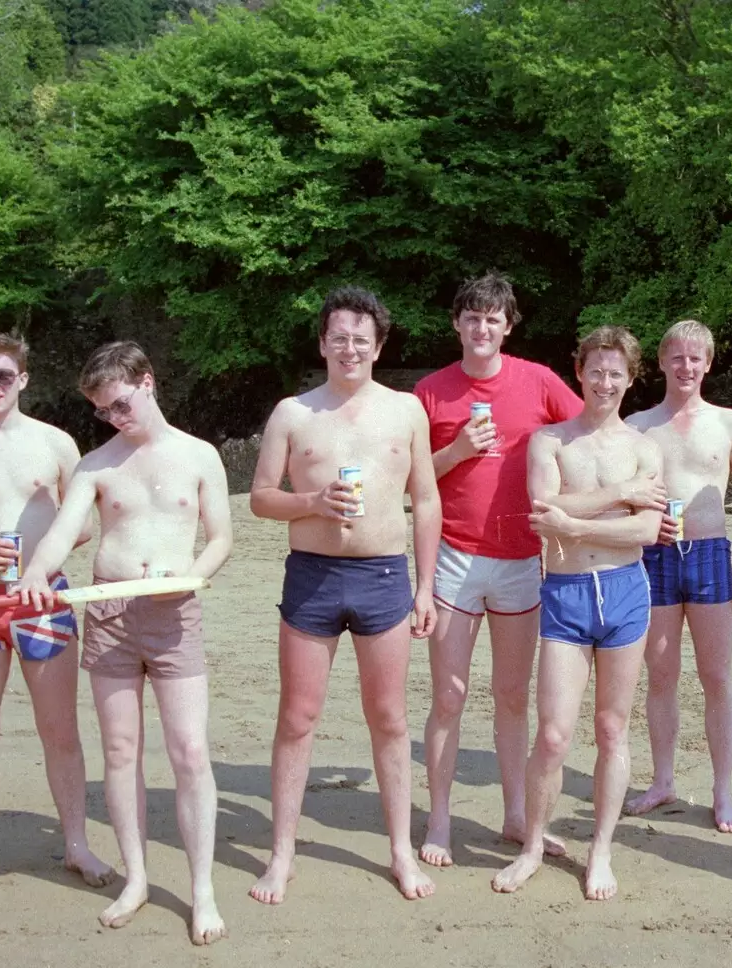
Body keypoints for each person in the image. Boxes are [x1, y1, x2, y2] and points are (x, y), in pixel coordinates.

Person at [13, 341, 233, 945]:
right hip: (107, 609)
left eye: (121, 403)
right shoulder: (96, 465)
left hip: (174, 610)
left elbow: (220, 538)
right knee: (119, 752)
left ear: (148, 381)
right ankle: (136, 877)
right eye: (104, 411)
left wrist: (190, 576)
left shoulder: (199, 455)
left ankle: (202, 891)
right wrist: (36, 573)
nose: (115, 416)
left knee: (189, 751)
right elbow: (62, 534)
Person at [248, 286, 441, 904]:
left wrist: (426, 587)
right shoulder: (293, 413)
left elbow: (427, 500)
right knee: (297, 717)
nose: (350, 348)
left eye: (362, 338)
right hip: (312, 574)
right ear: (323, 342)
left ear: (379, 345)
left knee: (389, 718)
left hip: (384, 575)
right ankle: (282, 856)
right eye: (339, 337)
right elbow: (259, 498)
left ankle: (401, 852)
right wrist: (311, 501)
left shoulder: (406, 411)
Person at [0, 333, 115, 899]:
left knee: (59, 727)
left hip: (42, 599)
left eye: (4, 376)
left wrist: (43, 561)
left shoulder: (56, 444)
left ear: (23, 381)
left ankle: (77, 843)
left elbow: (83, 519)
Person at [413, 271, 584, 867]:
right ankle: (438, 821)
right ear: (456, 323)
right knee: (449, 697)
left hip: (522, 561)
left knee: (512, 696)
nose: (482, 327)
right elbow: (407, 481)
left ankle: (515, 816)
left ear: (507, 326)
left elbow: (588, 435)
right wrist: (456, 451)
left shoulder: (538, 381)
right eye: (472, 316)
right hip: (456, 559)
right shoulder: (430, 393)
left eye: (493, 318)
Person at [491, 325, 663, 901]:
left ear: (631, 378)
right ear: (579, 371)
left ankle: (601, 851)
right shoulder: (551, 441)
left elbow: (648, 529)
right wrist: (621, 496)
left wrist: (579, 524)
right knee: (555, 734)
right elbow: (543, 508)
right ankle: (535, 845)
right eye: (596, 370)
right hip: (565, 593)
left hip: (625, 591)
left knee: (613, 728)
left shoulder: (643, 448)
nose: (605, 382)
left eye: (617, 373)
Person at [624, 320, 732, 832]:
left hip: (711, 553)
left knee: (717, 676)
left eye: (696, 359)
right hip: (656, 553)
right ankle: (662, 780)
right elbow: (623, 496)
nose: (686, 367)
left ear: (709, 363)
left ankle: (722, 790)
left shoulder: (729, 423)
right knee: (661, 675)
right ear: (661, 362)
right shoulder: (639, 424)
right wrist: (641, 525)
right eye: (677, 358)